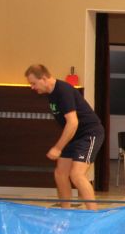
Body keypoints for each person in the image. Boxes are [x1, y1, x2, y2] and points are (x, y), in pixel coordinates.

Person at [25, 63, 103, 210]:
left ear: (43, 78)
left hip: (89, 133)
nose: (32, 87)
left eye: (33, 83)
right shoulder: (51, 94)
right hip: (74, 135)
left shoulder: (63, 91)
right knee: (60, 173)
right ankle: (65, 211)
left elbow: (73, 122)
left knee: (76, 174)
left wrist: (58, 148)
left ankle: (94, 214)